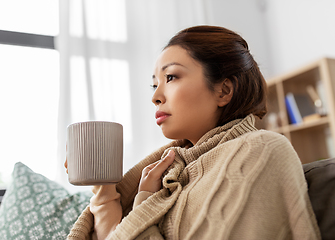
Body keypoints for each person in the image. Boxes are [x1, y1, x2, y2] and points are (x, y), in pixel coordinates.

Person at [66, 25, 321, 240]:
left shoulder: (260, 150)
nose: (155, 97)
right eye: (154, 84)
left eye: (171, 77)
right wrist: (105, 186)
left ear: (223, 91)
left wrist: (143, 203)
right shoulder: (168, 170)